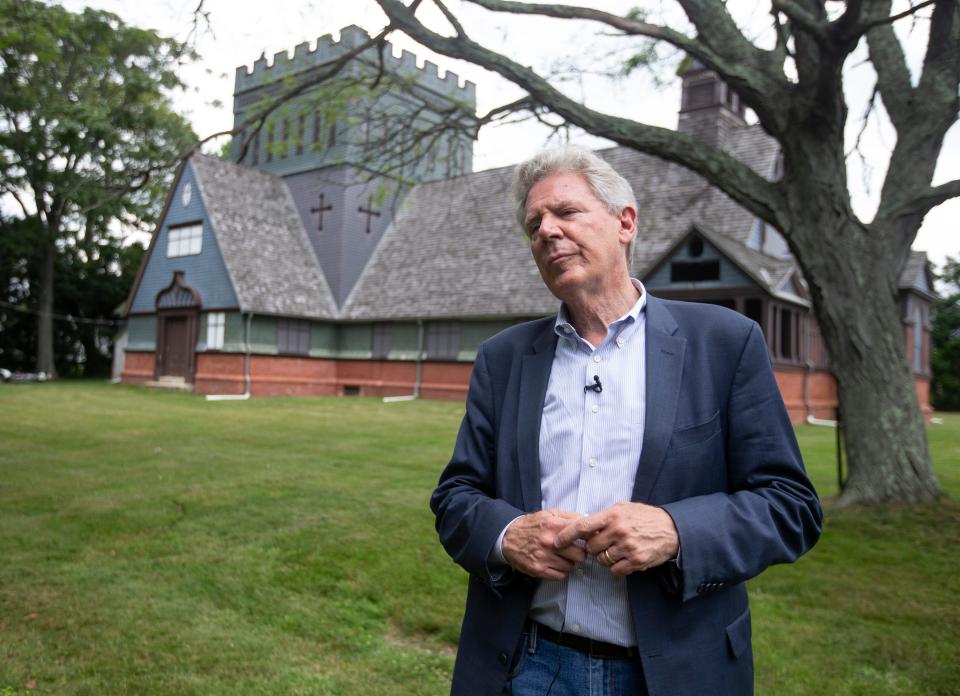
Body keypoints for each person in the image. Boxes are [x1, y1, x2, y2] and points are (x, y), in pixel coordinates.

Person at [431, 146, 822, 696]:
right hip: (526, 664)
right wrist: (506, 535)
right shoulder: (504, 357)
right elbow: (456, 496)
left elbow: (790, 506)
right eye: (534, 224)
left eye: (566, 212)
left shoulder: (724, 343)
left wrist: (677, 531)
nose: (546, 231)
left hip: (672, 673)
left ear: (625, 222)